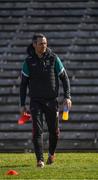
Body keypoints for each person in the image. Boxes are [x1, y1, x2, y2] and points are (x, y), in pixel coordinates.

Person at [20, 33, 72, 168]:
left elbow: (64, 78)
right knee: (37, 131)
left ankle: (51, 154)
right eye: (41, 43)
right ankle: (40, 160)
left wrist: (67, 97)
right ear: (34, 45)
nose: (44, 45)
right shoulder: (28, 61)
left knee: (54, 131)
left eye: (45, 43)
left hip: (51, 101)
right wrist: (22, 104)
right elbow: (23, 84)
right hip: (35, 101)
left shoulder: (54, 58)